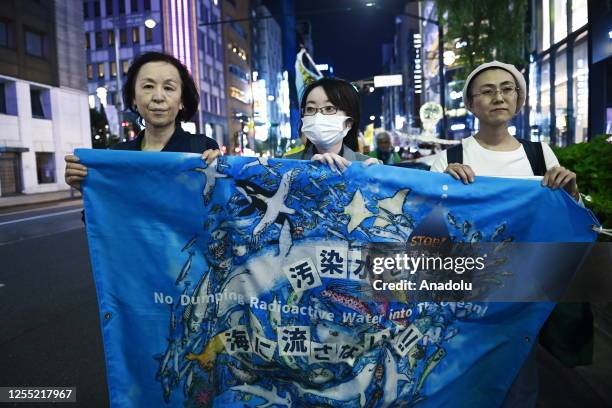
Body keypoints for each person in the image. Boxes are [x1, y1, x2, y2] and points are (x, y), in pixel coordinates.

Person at [430, 60, 580, 408]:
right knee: (457, 385)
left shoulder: (540, 155)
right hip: (462, 299)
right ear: (470, 104)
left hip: (521, 297)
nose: (498, 96)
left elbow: (564, 221)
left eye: (507, 88)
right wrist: (442, 188)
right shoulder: (448, 159)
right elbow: (426, 230)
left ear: (518, 98)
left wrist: (570, 192)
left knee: (518, 384)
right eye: (487, 90)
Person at [65, 52, 221, 191]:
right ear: (133, 97)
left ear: (181, 100)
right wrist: (88, 188)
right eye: (148, 86)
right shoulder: (118, 156)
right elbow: (107, 219)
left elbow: (221, 213)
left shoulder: (203, 148)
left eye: (168, 88)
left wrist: (223, 175)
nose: (158, 97)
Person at [284, 77, 377, 169]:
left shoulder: (369, 167)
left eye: (329, 108)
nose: (318, 117)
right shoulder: (286, 165)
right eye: (310, 109)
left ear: (349, 122)